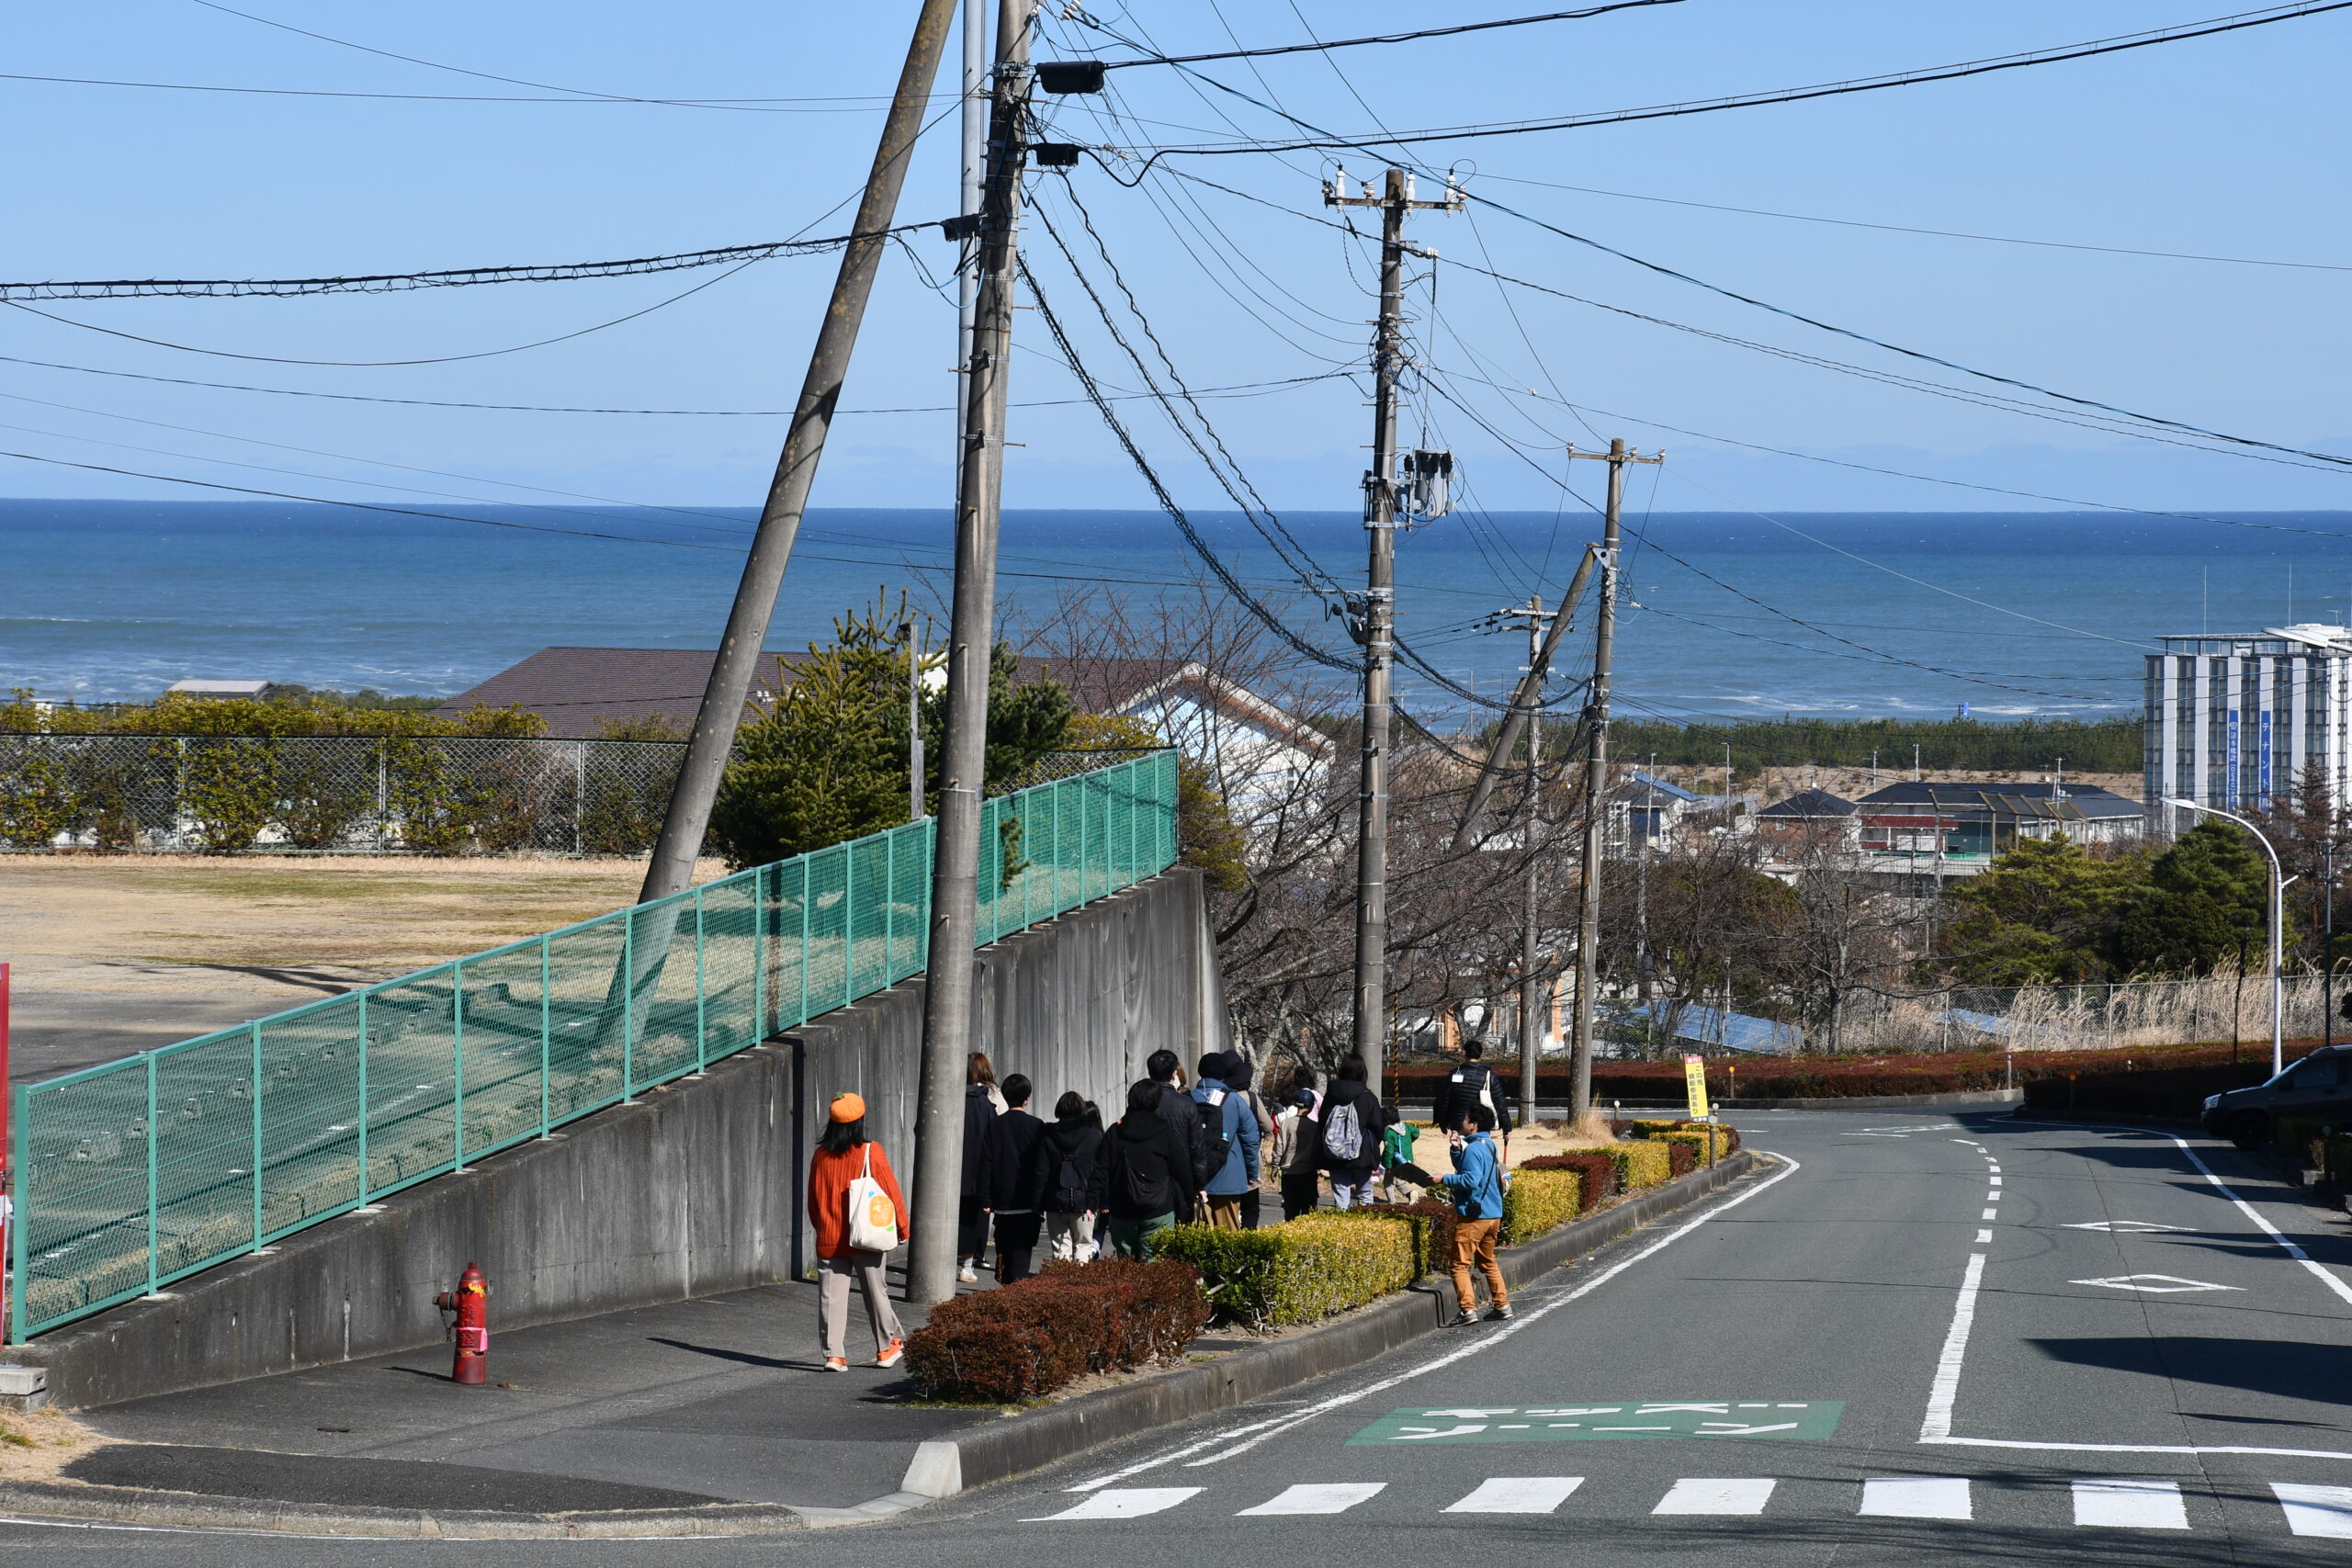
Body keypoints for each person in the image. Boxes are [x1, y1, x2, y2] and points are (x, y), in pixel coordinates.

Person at [805, 1092, 907, 1371]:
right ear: (859, 1122)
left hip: (829, 1237)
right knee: (875, 1292)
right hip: (866, 1236)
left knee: (831, 1298)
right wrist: (902, 1227)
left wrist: (823, 1227)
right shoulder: (870, 1151)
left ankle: (834, 1355)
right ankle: (886, 1348)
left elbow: (813, 1201)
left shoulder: (820, 1156)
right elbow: (890, 1192)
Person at [1091, 1078, 1193, 1258]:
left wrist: (1091, 1201)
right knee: (1155, 1264)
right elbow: (1182, 1169)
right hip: (1158, 1209)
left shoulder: (1115, 1132)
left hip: (1122, 1209)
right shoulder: (1164, 1131)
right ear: (1156, 1102)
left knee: (1127, 1264)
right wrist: (1189, 1199)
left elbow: (1100, 1170)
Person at [1441, 1104, 1511, 1323]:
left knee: (1459, 1264)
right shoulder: (1488, 1145)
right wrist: (1455, 1150)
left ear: (1474, 1124)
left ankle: (1467, 1310)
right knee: (1488, 1261)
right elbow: (1470, 1169)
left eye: (1464, 1119)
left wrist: (1443, 1179)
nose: (1461, 1122)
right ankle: (1502, 1305)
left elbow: (1470, 1180)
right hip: (1493, 1214)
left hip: (1474, 1216)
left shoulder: (1473, 1149)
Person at [978, 1073, 1047, 1283]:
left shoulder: (994, 1125)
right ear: (1027, 1098)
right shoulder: (1037, 1126)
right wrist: (1040, 1199)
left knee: (1003, 1258)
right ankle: (1015, 1295)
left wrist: (985, 1198)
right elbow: (1041, 1167)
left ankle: (1005, 1292)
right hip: (1027, 1203)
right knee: (1021, 1260)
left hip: (1001, 1202)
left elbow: (986, 1163)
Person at [1191, 1051, 1261, 1230]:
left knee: (1198, 1236)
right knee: (1229, 1235)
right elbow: (1251, 1139)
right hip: (1229, 1175)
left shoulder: (1187, 1099)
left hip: (1194, 1178)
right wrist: (1251, 1173)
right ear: (1224, 1073)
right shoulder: (1235, 1100)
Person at [1033, 1090, 1104, 1263]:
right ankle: (1079, 1280)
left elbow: (1041, 1171)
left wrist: (1037, 1204)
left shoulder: (1047, 1134)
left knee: (1060, 1248)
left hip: (1054, 1200)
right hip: (1084, 1201)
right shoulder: (1094, 1135)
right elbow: (1099, 1172)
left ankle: (1062, 1279)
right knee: (1084, 1245)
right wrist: (1095, 1202)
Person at [1317, 1054, 1389, 1210]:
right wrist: (1372, 1145)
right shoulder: (1368, 1097)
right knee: (1365, 1194)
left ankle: (1341, 1222)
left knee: (1340, 1196)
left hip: (1335, 1154)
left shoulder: (1330, 1096)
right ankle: (1364, 1223)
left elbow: (1322, 1122)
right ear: (1363, 1072)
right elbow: (1378, 1125)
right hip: (1362, 1153)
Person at [1146, 1048, 1207, 1221]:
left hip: (1146, 1176)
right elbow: (1197, 1147)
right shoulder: (1186, 1104)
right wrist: (1200, 1183)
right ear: (1174, 1074)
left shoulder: (1142, 1101)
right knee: (1180, 1225)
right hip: (1181, 1177)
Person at [957, 1053, 1003, 1282]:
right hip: (976, 1172)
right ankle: (967, 1267)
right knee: (971, 1220)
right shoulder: (986, 1103)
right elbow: (995, 1137)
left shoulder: (947, 1098)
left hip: (947, 1173)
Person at [1430, 1039, 1514, 1151]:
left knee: (1460, 1153)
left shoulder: (1454, 1074)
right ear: (1481, 1054)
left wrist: (1442, 1122)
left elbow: (1443, 1100)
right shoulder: (1489, 1075)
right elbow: (1500, 1103)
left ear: (1464, 1053)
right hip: (1480, 1125)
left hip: (1458, 1124)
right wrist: (1507, 1127)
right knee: (1479, 1152)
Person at [1225, 1056, 1277, 1229]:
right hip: (1250, 1154)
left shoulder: (1223, 1097)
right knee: (1251, 1206)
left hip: (1227, 1155)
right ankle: (1249, 1234)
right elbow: (1268, 1126)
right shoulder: (1251, 1098)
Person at [1272, 1086, 1323, 1220]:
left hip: (1288, 1172)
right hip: (1307, 1172)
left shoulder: (1285, 1124)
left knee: (1290, 1211)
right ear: (1311, 1107)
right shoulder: (1315, 1126)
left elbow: (1278, 1148)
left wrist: (1274, 1167)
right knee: (1309, 1211)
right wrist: (1319, 1169)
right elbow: (1317, 1151)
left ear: (1295, 1104)